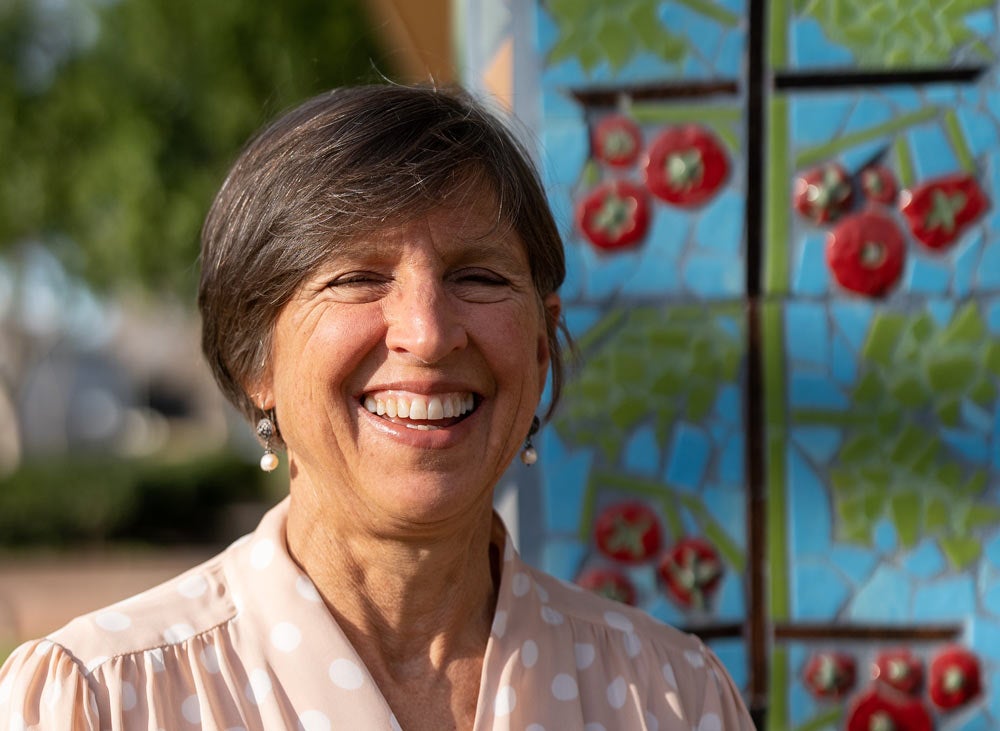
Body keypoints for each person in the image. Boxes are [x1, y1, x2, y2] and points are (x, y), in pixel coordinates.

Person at [0, 84, 754, 730]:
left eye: (480, 277)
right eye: (357, 277)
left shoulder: (669, 698)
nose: (427, 335)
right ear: (254, 358)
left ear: (541, 345)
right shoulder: (104, 700)